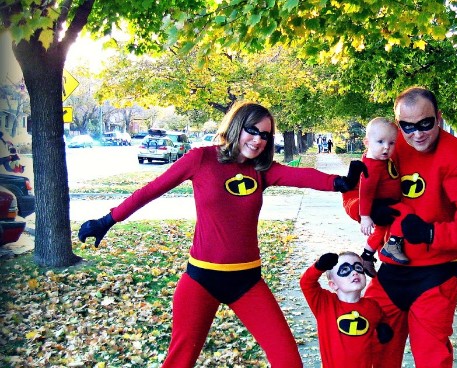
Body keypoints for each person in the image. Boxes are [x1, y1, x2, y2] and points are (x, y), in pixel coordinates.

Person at [78, 102, 367, 368]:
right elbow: (151, 190)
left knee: (288, 361)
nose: (257, 140)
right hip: (201, 279)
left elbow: (302, 176)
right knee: (180, 360)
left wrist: (340, 182)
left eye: (265, 135)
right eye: (252, 131)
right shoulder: (200, 159)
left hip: (247, 281)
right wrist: (107, 220)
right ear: (235, 126)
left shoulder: (261, 170)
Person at [341, 87, 457, 367]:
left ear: (438, 117)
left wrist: (430, 233)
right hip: (390, 272)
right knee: (372, 346)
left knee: (431, 358)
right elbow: (356, 191)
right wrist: (367, 211)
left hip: (434, 277)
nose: (417, 134)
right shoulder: (389, 146)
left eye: (425, 124)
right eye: (407, 126)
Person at [300, 251, 393, 368]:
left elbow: (381, 318)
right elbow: (306, 283)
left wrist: (383, 326)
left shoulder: (372, 306)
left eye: (358, 268)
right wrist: (318, 266)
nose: (354, 272)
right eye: (345, 270)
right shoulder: (325, 304)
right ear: (333, 285)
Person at [358, 117, 411, 272]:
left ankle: (366, 257)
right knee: (406, 212)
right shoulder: (371, 167)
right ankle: (393, 244)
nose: (386, 147)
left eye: (391, 143)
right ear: (367, 143)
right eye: (380, 142)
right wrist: (365, 216)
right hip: (383, 204)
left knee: (380, 230)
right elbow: (365, 192)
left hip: (386, 202)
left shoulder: (379, 160)